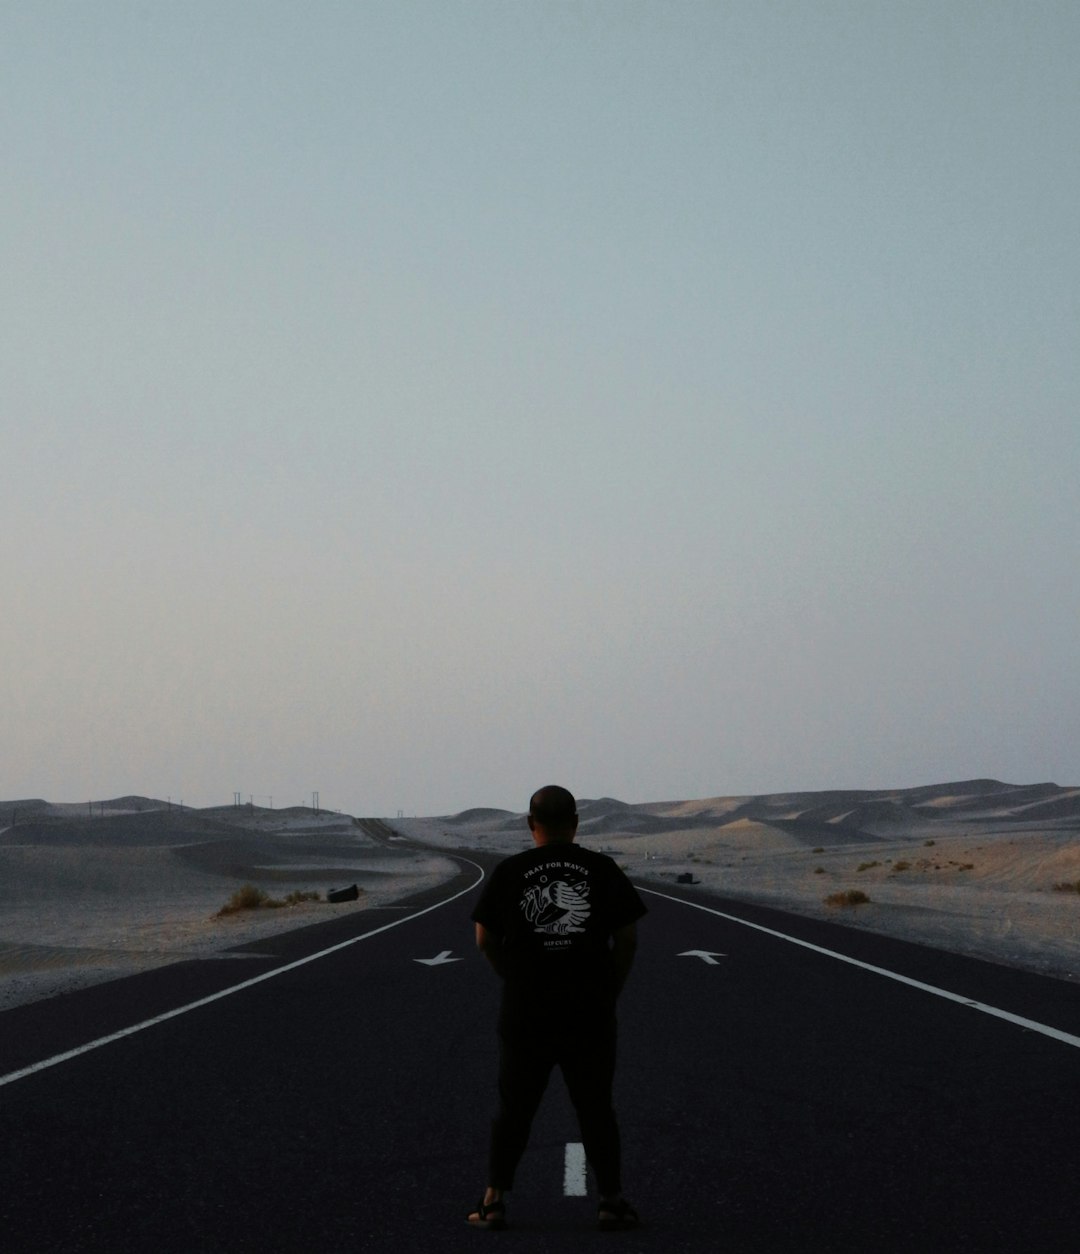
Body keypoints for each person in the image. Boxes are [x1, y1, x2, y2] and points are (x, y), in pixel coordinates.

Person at [466, 785, 646, 1232]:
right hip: (589, 1010)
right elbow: (627, 938)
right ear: (577, 823)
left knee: (515, 1108)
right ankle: (611, 1200)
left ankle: (494, 1202)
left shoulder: (510, 871)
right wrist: (611, 989)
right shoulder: (601, 868)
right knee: (596, 1107)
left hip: (527, 1010)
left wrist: (515, 975)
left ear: (531, 824)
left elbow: (484, 940)